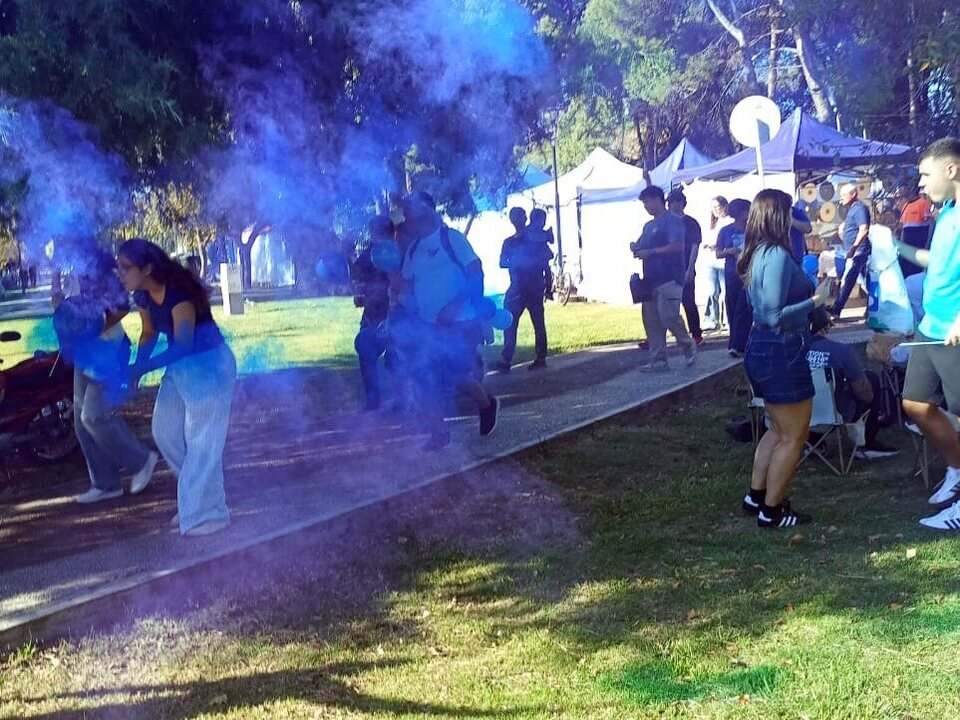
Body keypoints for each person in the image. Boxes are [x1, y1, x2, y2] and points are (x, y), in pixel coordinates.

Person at [118, 239, 237, 537]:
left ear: (146, 268)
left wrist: (142, 368)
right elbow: (147, 334)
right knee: (165, 431)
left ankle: (207, 513)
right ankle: (196, 501)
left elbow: (183, 344)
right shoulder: (143, 296)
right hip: (181, 368)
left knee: (201, 440)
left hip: (209, 367)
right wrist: (137, 370)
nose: (120, 273)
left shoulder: (179, 293)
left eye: (125, 267)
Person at [740, 189, 832, 528]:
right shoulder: (777, 254)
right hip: (781, 349)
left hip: (762, 348)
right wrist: (816, 301)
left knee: (777, 430)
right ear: (778, 215)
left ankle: (756, 496)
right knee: (794, 435)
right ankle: (772, 511)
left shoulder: (755, 252)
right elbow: (774, 314)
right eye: (788, 210)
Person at [52, 246, 158, 505]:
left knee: (94, 416)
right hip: (84, 354)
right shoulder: (70, 273)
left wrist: (93, 328)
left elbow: (122, 307)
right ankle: (106, 484)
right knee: (80, 421)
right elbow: (64, 309)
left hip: (109, 352)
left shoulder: (100, 271)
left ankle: (142, 460)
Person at [397, 192, 498, 451]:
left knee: (457, 377)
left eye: (414, 209)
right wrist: (394, 290)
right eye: (408, 211)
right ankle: (438, 433)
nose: (410, 215)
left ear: (429, 209)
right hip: (427, 326)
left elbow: (476, 275)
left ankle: (487, 404)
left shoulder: (451, 239)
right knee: (424, 377)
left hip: (459, 324)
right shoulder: (413, 249)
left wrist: (455, 306)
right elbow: (407, 284)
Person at [895, 138, 960, 530]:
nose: (920, 183)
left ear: (951, 170)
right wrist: (896, 247)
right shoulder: (949, 210)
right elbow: (938, 263)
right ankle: (956, 468)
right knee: (915, 404)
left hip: (954, 333)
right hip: (930, 327)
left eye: (925, 174)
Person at [806, 308, 900, 459]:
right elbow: (865, 395)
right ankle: (867, 444)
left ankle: (814, 443)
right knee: (870, 381)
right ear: (827, 327)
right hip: (835, 415)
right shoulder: (841, 351)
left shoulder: (792, 351)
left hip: (799, 413)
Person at [630, 186, 696, 371]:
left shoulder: (673, 221)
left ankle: (687, 345)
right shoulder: (648, 226)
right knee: (651, 321)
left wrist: (650, 252)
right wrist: (636, 247)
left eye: (648, 201)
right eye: (644, 203)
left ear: (659, 199)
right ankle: (658, 359)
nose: (646, 206)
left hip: (670, 277)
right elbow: (641, 245)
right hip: (650, 279)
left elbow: (677, 246)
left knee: (669, 317)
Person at [492, 207, 549, 373]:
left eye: (521, 216)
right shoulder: (509, 242)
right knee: (510, 323)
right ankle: (506, 360)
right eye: (516, 217)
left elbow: (545, 260)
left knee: (538, 323)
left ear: (525, 218)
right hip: (517, 288)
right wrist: (516, 261)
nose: (519, 220)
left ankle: (540, 357)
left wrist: (548, 283)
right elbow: (502, 262)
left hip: (533, 287)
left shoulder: (535, 238)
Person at [352, 215, 394, 410]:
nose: (375, 236)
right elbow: (357, 282)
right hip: (371, 316)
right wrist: (360, 294)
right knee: (366, 351)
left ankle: (403, 399)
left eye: (379, 232)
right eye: (374, 232)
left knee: (397, 357)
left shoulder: (401, 253)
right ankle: (373, 399)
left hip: (396, 315)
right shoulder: (367, 256)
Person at [666, 189, 704, 346]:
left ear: (681, 203)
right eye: (669, 203)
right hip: (667, 268)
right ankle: (659, 336)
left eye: (674, 202)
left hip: (684, 265)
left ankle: (696, 334)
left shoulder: (690, 223)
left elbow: (695, 246)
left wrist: (690, 268)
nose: (671, 206)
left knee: (688, 301)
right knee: (666, 304)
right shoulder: (666, 222)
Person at [715, 198, 752, 357]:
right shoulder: (725, 231)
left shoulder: (752, 230)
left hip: (750, 273)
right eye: (746, 210)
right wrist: (729, 251)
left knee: (746, 308)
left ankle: (745, 342)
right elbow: (718, 253)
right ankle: (734, 343)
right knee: (733, 307)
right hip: (732, 272)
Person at [831, 182, 871, 318]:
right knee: (864, 282)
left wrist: (854, 248)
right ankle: (874, 307)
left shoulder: (859, 209)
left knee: (849, 280)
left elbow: (863, 229)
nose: (841, 198)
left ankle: (836, 310)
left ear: (853, 194)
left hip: (858, 252)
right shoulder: (854, 209)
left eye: (843, 195)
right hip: (855, 251)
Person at [701, 196, 732, 330]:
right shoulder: (712, 223)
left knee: (725, 293)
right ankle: (713, 319)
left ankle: (727, 319)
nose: (715, 210)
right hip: (711, 262)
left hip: (724, 261)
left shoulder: (730, 222)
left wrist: (717, 246)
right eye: (713, 207)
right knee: (712, 291)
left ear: (725, 206)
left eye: (717, 207)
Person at [898, 185, 933, 279]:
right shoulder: (905, 206)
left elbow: (930, 223)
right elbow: (903, 228)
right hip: (906, 247)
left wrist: (927, 244)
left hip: (918, 248)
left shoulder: (922, 203)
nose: (900, 190)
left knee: (914, 274)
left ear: (910, 189)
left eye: (903, 187)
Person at [526, 208, 555, 302]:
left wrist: (549, 234)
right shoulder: (527, 231)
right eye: (542, 220)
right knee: (546, 271)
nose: (543, 223)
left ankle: (548, 291)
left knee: (547, 272)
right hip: (531, 260)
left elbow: (551, 240)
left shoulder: (541, 232)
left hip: (541, 258)